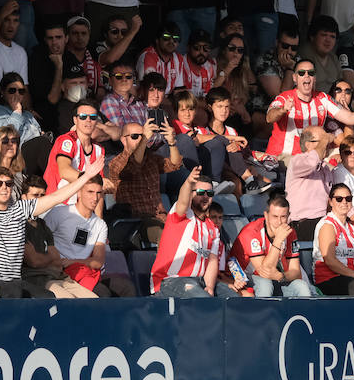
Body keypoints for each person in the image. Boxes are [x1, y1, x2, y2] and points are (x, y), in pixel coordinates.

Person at [0, 143, 106, 299]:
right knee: (15, 293)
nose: (4, 187)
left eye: (9, 184)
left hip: (13, 283)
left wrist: (85, 177)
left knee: (51, 300)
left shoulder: (20, 209)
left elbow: (57, 197)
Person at [150, 168, 239, 298]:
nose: (205, 196)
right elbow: (183, 201)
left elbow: (213, 261)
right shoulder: (181, 214)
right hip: (170, 280)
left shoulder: (212, 228)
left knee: (234, 300)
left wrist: (209, 287)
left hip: (200, 281)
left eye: (209, 193)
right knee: (203, 301)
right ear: (191, 194)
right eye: (201, 192)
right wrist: (188, 183)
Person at [44, 177, 135, 298]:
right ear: (78, 192)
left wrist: (73, 261)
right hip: (61, 272)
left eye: (99, 193)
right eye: (90, 192)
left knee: (126, 287)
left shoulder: (100, 224)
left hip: (87, 272)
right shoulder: (59, 213)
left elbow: (98, 261)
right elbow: (41, 242)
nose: (95, 198)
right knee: (102, 292)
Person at [265, 58, 354, 157]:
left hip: (310, 159)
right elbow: (269, 118)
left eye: (310, 73)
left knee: (344, 157)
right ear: (294, 78)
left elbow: (349, 117)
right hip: (282, 157)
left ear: (314, 78)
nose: (306, 76)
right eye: (301, 73)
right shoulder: (284, 97)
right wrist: (282, 110)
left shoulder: (322, 98)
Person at [110, 121, 182, 245]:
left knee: (192, 232)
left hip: (162, 218)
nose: (140, 139)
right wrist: (144, 140)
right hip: (136, 221)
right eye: (135, 136)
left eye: (142, 135)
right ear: (123, 140)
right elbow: (133, 167)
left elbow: (175, 164)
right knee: (166, 237)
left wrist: (172, 142)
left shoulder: (151, 158)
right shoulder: (116, 163)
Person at [230, 195, 310, 298]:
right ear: (266, 215)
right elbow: (264, 271)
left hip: (274, 276)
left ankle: (303, 313)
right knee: (265, 285)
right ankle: (262, 314)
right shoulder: (251, 232)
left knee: (301, 286)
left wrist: (281, 276)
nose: (279, 222)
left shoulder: (290, 232)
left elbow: (295, 272)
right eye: (275, 216)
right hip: (242, 277)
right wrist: (278, 241)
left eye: (283, 217)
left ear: (288, 216)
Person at [43, 101, 105, 192]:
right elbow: (64, 171)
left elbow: (99, 188)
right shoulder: (67, 140)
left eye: (93, 117)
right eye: (83, 117)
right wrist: (93, 181)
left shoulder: (99, 149)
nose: (88, 120)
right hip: (59, 202)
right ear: (75, 120)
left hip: (82, 203)